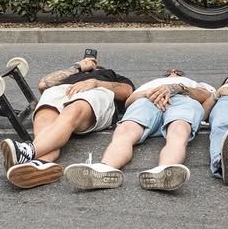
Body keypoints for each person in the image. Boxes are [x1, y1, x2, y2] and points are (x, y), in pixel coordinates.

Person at [0, 48, 135, 190]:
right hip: (64, 90)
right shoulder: (73, 73)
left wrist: (95, 82)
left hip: (96, 92)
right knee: (44, 113)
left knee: (74, 109)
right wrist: (77, 67)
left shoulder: (110, 74)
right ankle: (41, 163)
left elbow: (127, 92)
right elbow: (44, 84)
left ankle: (29, 151)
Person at [63, 67, 216, 192]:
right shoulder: (150, 83)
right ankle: (105, 168)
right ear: (167, 74)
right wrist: (150, 92)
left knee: (179, 128)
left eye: (178, 72)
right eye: (170, 71)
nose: (174, 72)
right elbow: (129, 101)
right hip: (147, 99)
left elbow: (207, 96)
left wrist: (177, 88)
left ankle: (165, 170)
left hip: (183, 99)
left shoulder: (192, 83)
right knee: (127, 129)